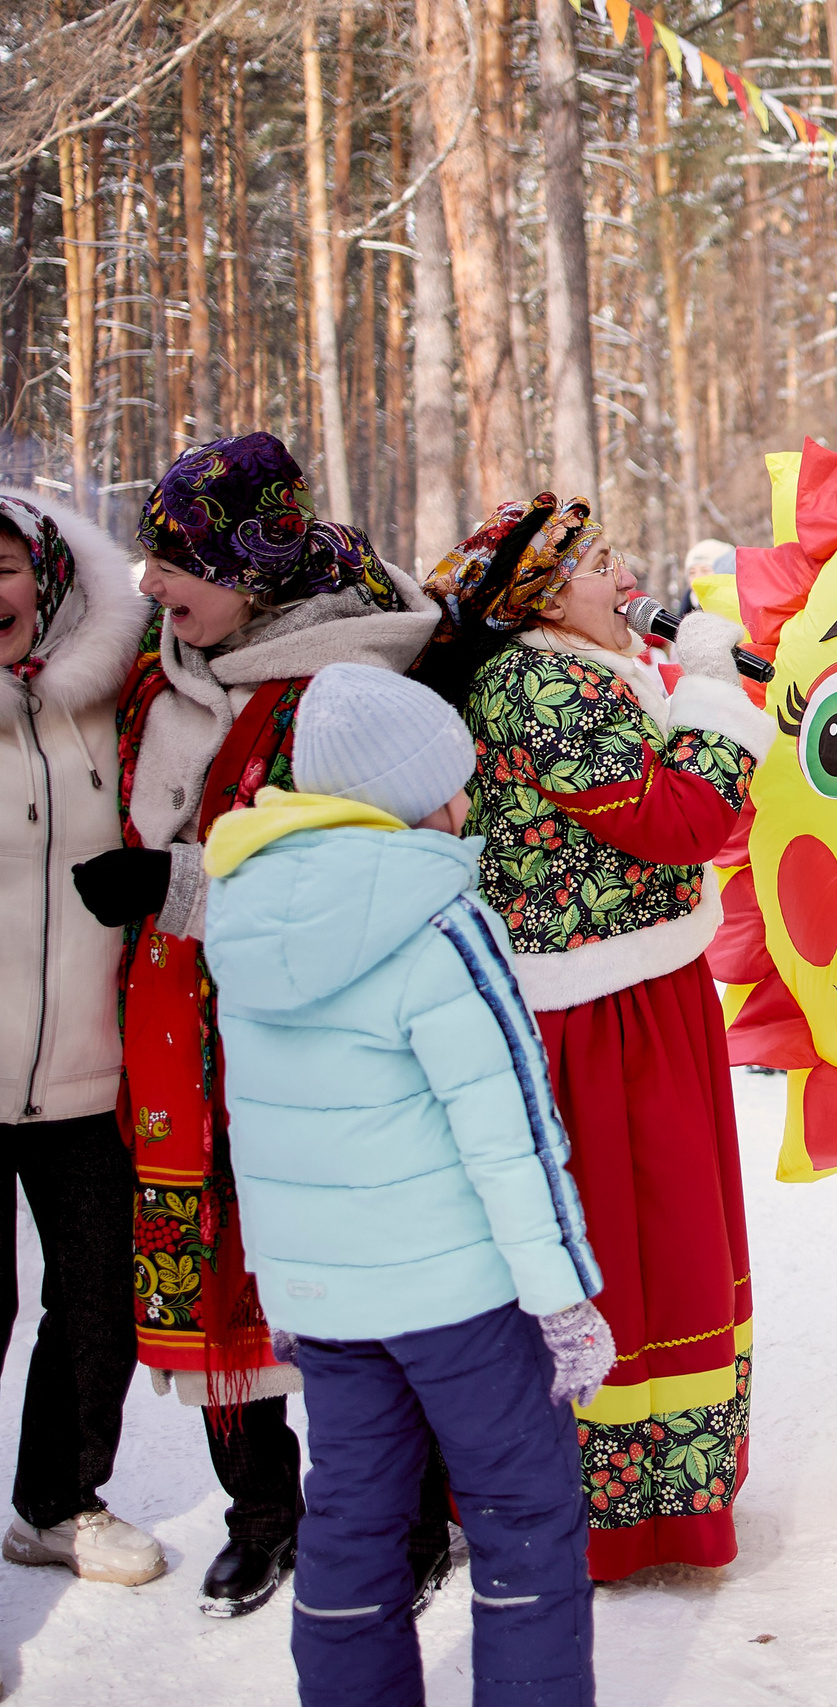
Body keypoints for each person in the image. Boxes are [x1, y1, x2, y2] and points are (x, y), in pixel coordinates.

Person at [68, 433, 450, 1616]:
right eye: (146, 557)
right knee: (211, 1274)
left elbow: (373, 877)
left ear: (252, 569)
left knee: (346, 1276)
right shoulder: (162, 672)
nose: (151, 583)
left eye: (177, 560)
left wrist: (177, 883)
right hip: (176, 1040)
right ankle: (263, 1510)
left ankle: (402, 1514)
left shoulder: (348, 690)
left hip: (313, 1040)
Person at [200, 663, 610, 1707]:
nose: (467, 801)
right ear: (421, 794)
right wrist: (562, 1297)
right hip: (462, 1301)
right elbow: (511, 1129)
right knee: (524, 1515)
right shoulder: (441, 918)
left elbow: (259, 1123)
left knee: (352, 1523)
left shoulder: (245, 916)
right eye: (457, 781)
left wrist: (287, 1289)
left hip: (333, 1305)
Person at [425, 493, 769, 1580]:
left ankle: (629, 1496)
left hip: (626, 989)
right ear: (541, 596)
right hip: (602, 1013)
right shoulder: (549, 685)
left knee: (642, 1239)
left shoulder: (572, 673)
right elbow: (683, 823)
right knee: (636, 1241)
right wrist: (713, 694)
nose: (627, 579)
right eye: (599, 563)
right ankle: (621, 1511)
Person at [0, 490, 164, 1587]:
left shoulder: (126, 693)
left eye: (3, 568)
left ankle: (57, 1502)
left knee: (102, 1298)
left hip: (93, 1066)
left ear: (50, 576)